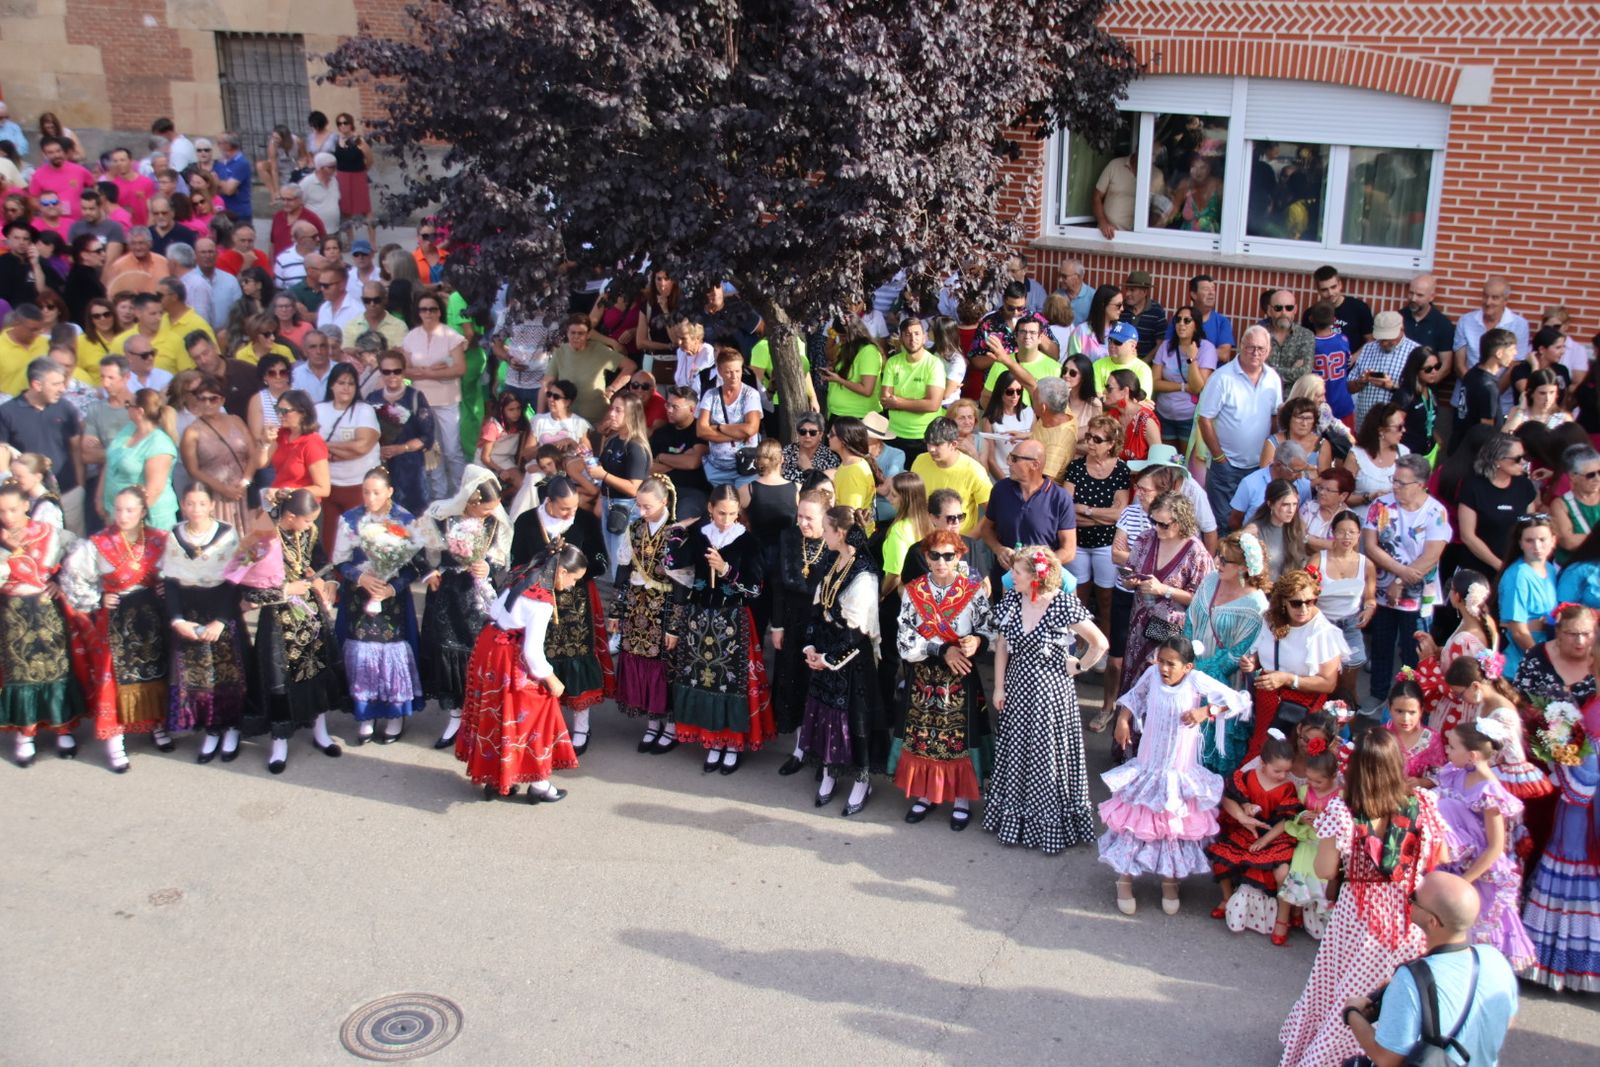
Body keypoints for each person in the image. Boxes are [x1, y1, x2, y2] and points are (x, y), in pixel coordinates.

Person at [1277, 730, 1448, 1067]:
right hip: (1408, 917)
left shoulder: (1344, 810)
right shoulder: (1422, 803)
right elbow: (1439, 857)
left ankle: (1327, 1056)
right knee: (1397, 994)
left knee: (1341, 989)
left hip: (1359, 916)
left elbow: (1325, 869)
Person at [1100, 636, 1249, 914]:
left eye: (1171, 664)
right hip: (1148, 766)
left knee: (1172, 828)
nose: (1164, 669)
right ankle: (1125, 879)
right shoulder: (1151, 675)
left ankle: (1170, 881)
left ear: (1188, 667)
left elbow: (1238, 700)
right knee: (1136, 824)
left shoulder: (1196, 681)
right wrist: (1122, 720)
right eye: (1161, 662)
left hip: (1179, 770)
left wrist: (1207, 710)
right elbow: (1135, 696)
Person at [984, 545, 1108, 852]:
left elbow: (1100, 643)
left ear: (1036, 577)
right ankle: (1017, 819)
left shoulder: (1062, 604)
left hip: (1050, 694)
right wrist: (999, 687)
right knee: (1017, 752)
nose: (1011, 576)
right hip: (1018, 686)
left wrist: (1079, 666)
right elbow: (1002, 646)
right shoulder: (1012, 600)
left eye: (1017, 572)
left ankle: (1049, 825)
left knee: (1047, 756)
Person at [1338, 871, 1520, 1067]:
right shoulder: (1495, 959)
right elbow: (1508, 1020)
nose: (1409, 900)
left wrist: (1352, 1012)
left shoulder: (1411, 979)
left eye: (1414, 898)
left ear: (1432, 921)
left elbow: (1386, 1059)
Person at [455, 543, 587, 802]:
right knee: (537, 713)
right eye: (574, 579)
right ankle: (539, 784)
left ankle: (495, 779)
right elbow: (533, 652)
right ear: (561, 572)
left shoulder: (522, 574)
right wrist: (552, 679)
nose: (572, 585)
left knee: (495, 712)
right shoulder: (542, 602)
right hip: (509, 658)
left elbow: (494, 610)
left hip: (489, 648)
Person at [664, 484, 771, 776]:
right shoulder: (700, 536)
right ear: (710, 509)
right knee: (706, 681)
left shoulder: (747, 541)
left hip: (732, 621)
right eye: (721, 513)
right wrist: (677, 531)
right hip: (700, 620)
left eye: (732, 514)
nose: (726, 520)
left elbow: (754, 589)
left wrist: (725, 569)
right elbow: (672, 562)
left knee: (730, 681)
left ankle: (733, 744)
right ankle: (713, 740)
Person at [890, 528, 993, 829]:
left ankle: (961, 798)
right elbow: (904, 639)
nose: (941, 562)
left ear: (959, 556)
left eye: (948, 556)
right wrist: (941, 649)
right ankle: (926, 793)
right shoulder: (913, 591)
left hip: (960, 677)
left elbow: (990, 629)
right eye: (934, 555)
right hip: (924, 676)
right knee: (924, 738)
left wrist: (977, 641)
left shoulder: (973, 591)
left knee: (958, 739)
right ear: (926, 557)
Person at [62, 486, 171, 771]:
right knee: (113, 679)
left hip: (151, 617)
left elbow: (177, 573)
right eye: (118, 509)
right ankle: (115, 741)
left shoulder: (160, 539)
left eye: (130, 510)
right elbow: (76, 578)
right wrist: (100, 597)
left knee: (155, 671)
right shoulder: (98, 542)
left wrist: (166, 587)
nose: (123, 516)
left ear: (143, 512)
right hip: (115, 619)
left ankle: (157, 724)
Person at [796, 505, 882, 813]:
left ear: (841, 533)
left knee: (854, 721)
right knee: (826, 717)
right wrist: (810, 645)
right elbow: (818, 608)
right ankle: (829, 772)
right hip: (824, 653)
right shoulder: (833, 560)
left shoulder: (864, 573)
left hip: (851, 661)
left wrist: (829, 658)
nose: (823, 533)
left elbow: (856, 631)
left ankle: (861, 781)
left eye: (826, 528)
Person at [419, 466, 511, 750]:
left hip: (479, 600)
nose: (490, 513)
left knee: (478, 655)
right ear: (470, 502)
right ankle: (456, 717)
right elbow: (422, 551)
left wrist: (489, 568)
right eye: (485, 508)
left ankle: (481, 716)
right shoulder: (441, 517)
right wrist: (429, 572)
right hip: (448, 597)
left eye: (493, 507)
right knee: (450, 653)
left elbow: (502, 560)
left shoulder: (496, 523)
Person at [332, 467, 424, 745]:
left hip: (391, 597)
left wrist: (392, 587)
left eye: (376, 492)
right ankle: (366, 713)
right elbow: (340, 560)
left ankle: (395, 714)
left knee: (392, 654)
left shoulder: (405, 520)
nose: (370, 498)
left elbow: (416, 565)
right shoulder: (351, 519)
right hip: (360, 595)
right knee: (362, 654)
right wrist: (360, 577)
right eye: (366, 492)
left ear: (389, 492)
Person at [1435, 721, 1537, 972]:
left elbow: (1495, 846)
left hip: (1479, 875)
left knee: (1477, 936)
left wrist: (1465, 881)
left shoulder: (1489, 791)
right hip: (1452, 865)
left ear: (1472, 755)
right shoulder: (1455, 774)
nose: (1447, 751)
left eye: (1452, 747)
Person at [161, 482, 249, 764]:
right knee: (198, 674)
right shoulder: (175, 535)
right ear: (182, 505)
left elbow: (234, 580)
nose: (196, 509)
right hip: (190, 611)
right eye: (190, 503)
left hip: (221, 609)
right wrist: (177, 619)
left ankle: (232, 726)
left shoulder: (226, 534)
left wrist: (222, 620)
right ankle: (211, 728)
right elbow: (171, 582)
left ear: (211, 505)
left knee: (228, 672)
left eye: (202, 503)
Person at [1521, 685, 1600, 992]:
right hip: (1576, 814)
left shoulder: (1592, 711)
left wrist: (1562, 760)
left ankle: (1564, 963)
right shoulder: (1591, 704)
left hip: (1582, 816)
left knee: (1573, 865)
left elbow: (1586, 778)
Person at [0, 484, 85, 766]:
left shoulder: (49, 534)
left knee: (56, 667)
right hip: (12, 614)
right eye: (2, 511)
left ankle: (63, 727)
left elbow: (79, 557)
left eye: (13, 509)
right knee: (20, 671)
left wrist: (60, 582)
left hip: (47, 610)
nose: (7, 516)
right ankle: (26, 733)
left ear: (27, 505)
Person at [1362, 453, 1450, 701]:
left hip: (1419, 596)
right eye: (1394, 480)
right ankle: (1377, 695)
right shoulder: (1380, 506)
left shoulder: (1436, 512)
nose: (1396, 487)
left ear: (1421, 484)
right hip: (1383, 591)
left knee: (1414, 651)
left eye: (1402, 482)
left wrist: (1399, 582)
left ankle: (1410, 697)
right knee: (1381, 645)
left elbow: (1431, 555)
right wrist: (1399, 574)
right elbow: (1371, 546)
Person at [1238, 569, 1346, 763]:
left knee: (1293, 757)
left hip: (1301, 707)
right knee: (1264, 753)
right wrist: (1251, 663)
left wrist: (1287, 679)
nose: (1303, 608)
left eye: (1309, 602)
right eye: (1296, 603)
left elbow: (1328, 683)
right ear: (1283, 602)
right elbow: (1261, 654)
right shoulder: (1270, 620)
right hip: (1268, 700)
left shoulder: (1324, 633)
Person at [1206, 728, 1302, 943]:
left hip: (1274, 835)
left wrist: (1264, 840)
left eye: (1286, 771)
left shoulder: (1287, 788)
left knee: (1282, 872)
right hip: (1248, 830)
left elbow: (1286, 820)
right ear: (1262, 763)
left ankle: (1283, 918)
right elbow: (1233, 798)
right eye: (1277, 770)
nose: (1283, 776)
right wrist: (1246, 807)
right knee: (1221, 860)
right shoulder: (1247, 777)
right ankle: (1227, 899)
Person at [1119, 491, 1213, 699]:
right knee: (1134, 679)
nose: (1156, 528)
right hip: (1139, 625)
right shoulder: (1145, 539)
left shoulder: (1196, 552)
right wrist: (1130, 581)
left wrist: (1164, 590)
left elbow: (1201, 599)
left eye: (1163, 524)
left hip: (1170, 630)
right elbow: (1129, 570)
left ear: (1180, 522)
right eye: (1153, 521)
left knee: (1158, 680)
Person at [609, 477, 681, 751]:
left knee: (664, 666)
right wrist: (616, 610)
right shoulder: (635, 528)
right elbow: (623, 569)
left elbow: (682, 583)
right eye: (638, 505)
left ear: (664, 502)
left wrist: (674, 625)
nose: (641, 511)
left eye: (647, 506)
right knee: (639, 661)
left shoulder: (676, 533)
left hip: (664, 607)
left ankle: (670, 727)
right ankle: (652, 722)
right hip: (636, 605)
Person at [1197, 325, 1282, 531]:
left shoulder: (1273, 378)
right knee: (1222, 525)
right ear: (1241, 346)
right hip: (1226, 466)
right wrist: (1220, 458)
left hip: (1258, 468)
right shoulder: (1222, 377)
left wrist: (1269, 458)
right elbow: (1204, 418)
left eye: (1261, 349)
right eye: (1250, 347)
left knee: (1253, 526)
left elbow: (1275, 418)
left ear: (1268, 351)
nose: (1255, 353)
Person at [0, 356, 85, 533]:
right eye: (56, 384)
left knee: (73, 541)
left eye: (62, 383)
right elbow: (3, 454)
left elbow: (75, 448)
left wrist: (80, 485)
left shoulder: (66, 408)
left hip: (69, 493)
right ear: (37, 385)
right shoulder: (7, 413)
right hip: (28, 499)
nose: (62, 389)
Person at [401, 289, 467, 496]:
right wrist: (428, 372)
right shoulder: (411, 337)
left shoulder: (451, 336)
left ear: (439, 311)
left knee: (452, 450)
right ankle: (439, 495)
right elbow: (404, 369)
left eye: (432, 309)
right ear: (418, 312)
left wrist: (427, 373)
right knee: (432, 449)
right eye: (423, 309)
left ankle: (460, 493)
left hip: (447, 401)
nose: (428, 313)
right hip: (422, 402)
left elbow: (460, 368)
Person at [367, 350, 436, 516]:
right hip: (380, 466)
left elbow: (427, 436)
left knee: (414, 515)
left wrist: (402, 448)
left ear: (403, 371)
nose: (392, 376)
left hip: (410, 468)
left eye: (396, 371)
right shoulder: (372, 398)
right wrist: (377, 449)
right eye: (386, 371)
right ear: (380, 372)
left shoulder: (415, 397)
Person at [99, 388, 177, 530]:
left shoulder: (159, 444)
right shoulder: (129, 428)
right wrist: (100, 498)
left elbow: (154, 490)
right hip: (118, 513)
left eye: (129, 405)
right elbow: (110, 463)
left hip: (147, 521)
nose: (126, 407)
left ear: (139, 411)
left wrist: (129, 522)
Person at [1496, 513, 1559, 679]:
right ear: (1520, 544)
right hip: (1522, 666)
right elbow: (1518, 632)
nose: (1537, 546)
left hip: (1550, 652)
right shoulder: (1518, 575)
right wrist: (1543, 663)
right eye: (1529, 540)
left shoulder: (1550, 569)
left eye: (1542, 539)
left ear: (1553, 540)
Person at [693, 346, 762, 490]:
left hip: (745, 467)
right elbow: (701, 431)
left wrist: (719, 427)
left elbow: (751, 429)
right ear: (719, 371)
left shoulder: (750, 395)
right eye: (729, 372)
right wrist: (738, 434)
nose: (734, 376)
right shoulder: (710, 395)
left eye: (737, 371)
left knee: (743, 501)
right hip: (717, 468)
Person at [1151, 305, 1214, 448]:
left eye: (1187, 320)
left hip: (1189, 418)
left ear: (1196, 325)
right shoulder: (1166, 346)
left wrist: (1192, 359)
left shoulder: (1206, 348)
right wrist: (1183, 386)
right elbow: (1154, 382)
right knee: (1166, 459)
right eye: (1178, 320)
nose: (1181, 324)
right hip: (1164, 414)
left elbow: (1198, 387)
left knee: (1185, 460)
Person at [263, 389, 331, 509]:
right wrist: (266, 443)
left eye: (285, 411)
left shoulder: (312, 442)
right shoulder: (281, 434)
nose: (280, 415)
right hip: (279, 503)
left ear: (302, 413)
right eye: (278, 410)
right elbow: (262, 463)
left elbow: (323, 489)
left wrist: (286, 492)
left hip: (301, 508)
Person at [1243, 478, 1310, 582]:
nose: (1291, 510)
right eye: (1285, 505)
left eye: (1295, 504)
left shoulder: (1297, 526)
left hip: (1288, 587)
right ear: (1270, 504)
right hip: (1261, 587)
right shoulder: (1254, 530)